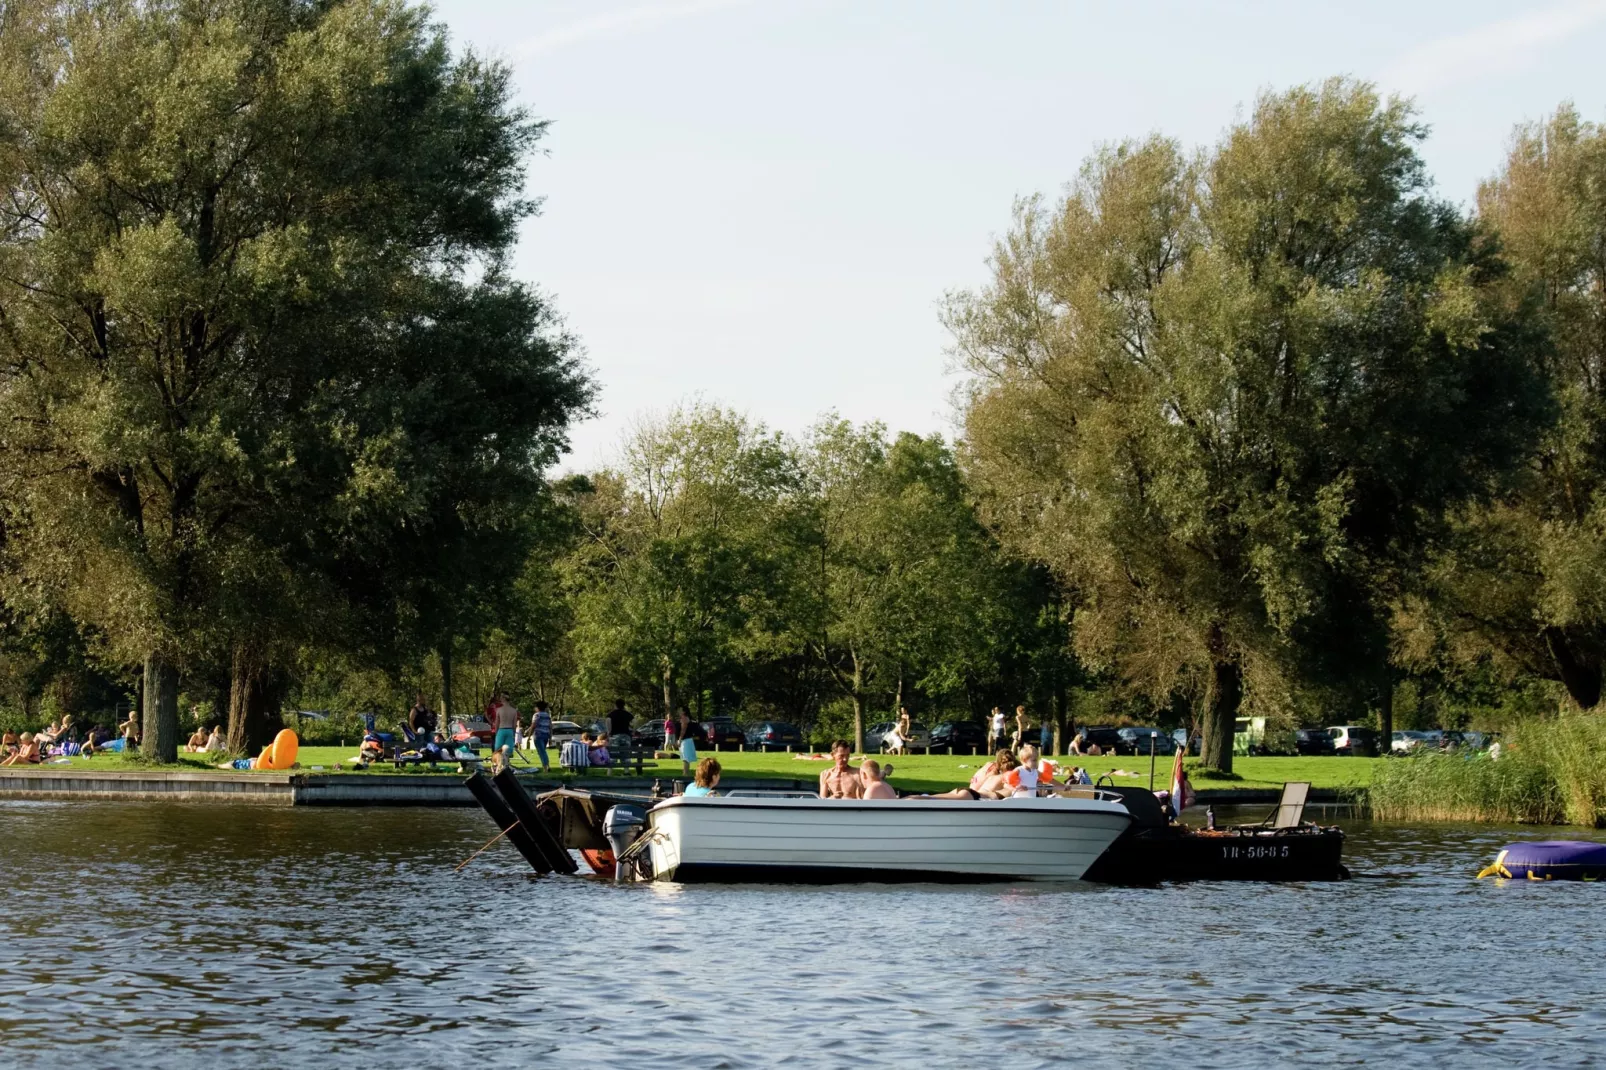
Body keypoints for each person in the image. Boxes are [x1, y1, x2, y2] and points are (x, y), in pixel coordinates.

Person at [923, 749, 1019, 800]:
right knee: (930, 800)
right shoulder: (1007, 779)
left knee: (928, 798)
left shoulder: (990, 770)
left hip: (968, 791)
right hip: (973, 796)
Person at [489, 690, 520, 772]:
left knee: (498, 750)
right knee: (507, 751)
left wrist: (496, 733)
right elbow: (514, 724)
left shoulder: (499, 710)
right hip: (510, 730)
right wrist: (513, 733)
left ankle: (498, 766)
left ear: (503, 698)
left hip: (501, 730)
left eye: (501, 697)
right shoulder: (514, 710)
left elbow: (497, 723)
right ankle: (506, 766)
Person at [529, 700, 553, 771]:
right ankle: (547, 765)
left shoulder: (536, 715)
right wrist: (550, 737)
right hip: (546, 735)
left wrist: (529, 735)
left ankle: (546, 767)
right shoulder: (547, 715)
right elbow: (550, 727)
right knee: (543, 751)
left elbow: (533, 725)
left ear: (537, 708)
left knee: (541, 751)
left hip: (538, 735)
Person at [676, 706, 696, 777]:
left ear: (684, 712)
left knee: (685, 758)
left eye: (680, 710)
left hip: (685, 741)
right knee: (685, 758)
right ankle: (685, 773)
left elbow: (683, 730)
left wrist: (680, 739)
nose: (679, 711)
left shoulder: (684, 718)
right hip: (687, 740)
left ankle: (685, 774)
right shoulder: (684, 718)